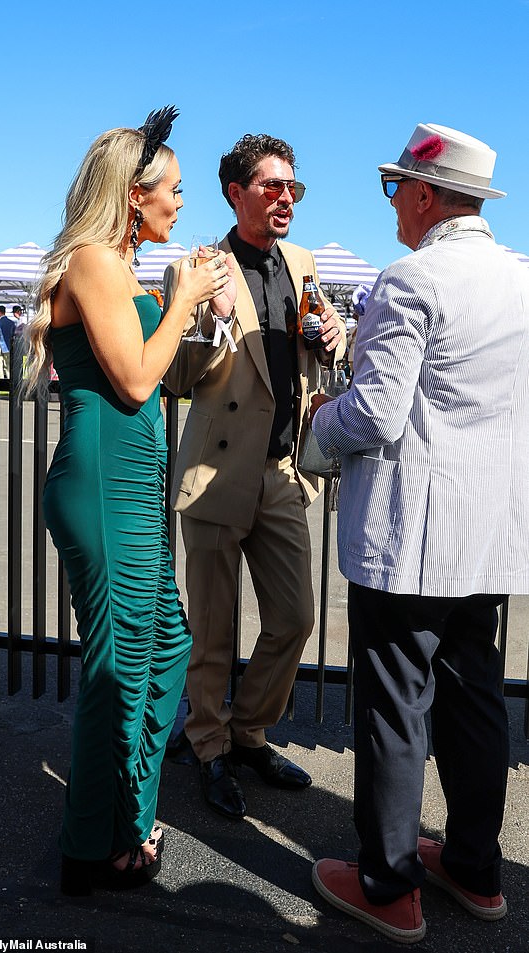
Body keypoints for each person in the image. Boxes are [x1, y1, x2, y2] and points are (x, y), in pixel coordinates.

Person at [309, 123, 529, 944]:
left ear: (426, 195)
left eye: (397, 187)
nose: (395, 203)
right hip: (492, 534)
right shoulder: (522, 279)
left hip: (413, 540)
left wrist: (318, 427)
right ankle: (475, 868)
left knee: (395, 707)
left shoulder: (411, 279)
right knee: (475, 700)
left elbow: (374, 411)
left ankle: (388, 883)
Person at [24, 106, 230, 896]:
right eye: (173, 189)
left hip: (131, 480)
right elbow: (137, 379)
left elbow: (156, 371)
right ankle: (93, 845)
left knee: (166, 645)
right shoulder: (93, 262)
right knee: (120, 663)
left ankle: (127, 815)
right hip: (105, 482)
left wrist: (193, 316)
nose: (181, 203)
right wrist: (181, 298)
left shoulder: (118, 266)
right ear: (133, 194)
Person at [163, 134, 346, 820]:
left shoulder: (302, 263)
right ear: (236, 193)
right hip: (215, 470)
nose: (285, 198)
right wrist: (205, 324)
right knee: (211, 631)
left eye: (292, 187)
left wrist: (337, 336)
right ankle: (209, 745)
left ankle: (248, 731)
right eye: (271, 186)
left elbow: (328, 340)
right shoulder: (200, 268)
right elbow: (176, 376)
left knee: (295, 617)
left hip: (280, 471)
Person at [0, 304, 17, 377]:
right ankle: (9, 378)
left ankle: (1, 379)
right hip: (9, 345)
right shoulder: (11, 323)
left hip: (0, 346)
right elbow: (14, 334)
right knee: (8, 364)